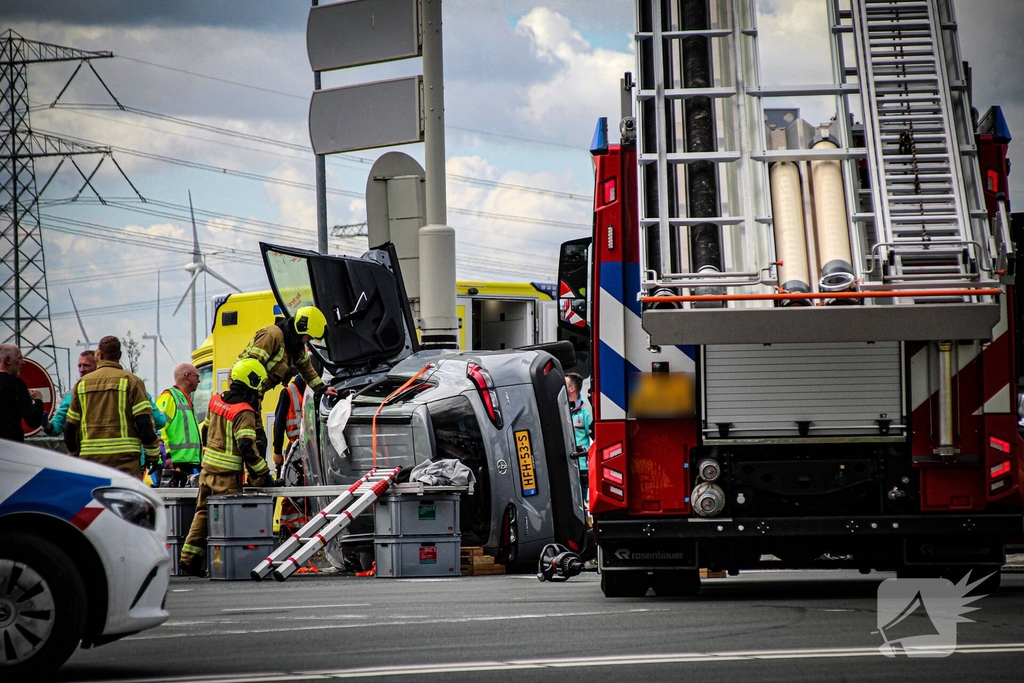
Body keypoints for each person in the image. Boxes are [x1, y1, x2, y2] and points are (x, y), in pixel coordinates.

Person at [179, 358, 275, 577]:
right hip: (227, 477)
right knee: (228, 523)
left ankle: (188, 560)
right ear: (251, 383)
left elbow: (206, 433)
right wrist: (263, 474)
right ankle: (231, 564)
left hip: (207, 471)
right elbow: (247, 448)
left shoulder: (215, 401)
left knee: (202, 513)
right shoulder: (244, 411)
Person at [237, 305, 338, 456]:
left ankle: (257, 478)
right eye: (308, 336)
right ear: (300, 327)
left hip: (254, 394)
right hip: (243, 392)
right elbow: (251, 366)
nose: (308, 340)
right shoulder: (272, 335)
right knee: (253, 440)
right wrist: (255, 395)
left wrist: (322, 389)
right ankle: (255, 478)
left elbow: (306, 369)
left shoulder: (296, 347)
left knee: (259, 442)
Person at [65, 335, 160, 478]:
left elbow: (70, 427)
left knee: (94, 499)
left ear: (100, 354)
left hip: (91, 461)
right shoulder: (132, 382)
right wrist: (152, 455)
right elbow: (144, 423)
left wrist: (74, 454)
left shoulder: (82, 384)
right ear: (120, 355)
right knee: (126, 499)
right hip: (125, 462)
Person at [157, 363, 203, 475]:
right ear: (187, 376)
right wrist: (166, 455)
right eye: (197, 376)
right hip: (174, 464)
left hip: (188, 464)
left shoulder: (185, 399)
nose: (199, 381)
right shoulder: (169, 397)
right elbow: (159, 428)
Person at [44, 350, 97, 439]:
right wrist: (47, 425)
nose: (82, 370)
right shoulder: (72, 395)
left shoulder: (107, 391)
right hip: (82, 449)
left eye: (86, 365)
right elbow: (60, 421)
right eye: (79, 366)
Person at [0, 343, 45, 441]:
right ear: (7, 360)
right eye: (19, 358)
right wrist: (38, 400)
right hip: (10, 446)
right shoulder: (16, 384)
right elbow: (33, 421)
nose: (23, 362)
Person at [565, 372, 593, 501]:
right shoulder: (561, 410)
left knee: (581, 503)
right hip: (564, 465)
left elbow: (594, 438)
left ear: (572, 388)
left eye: (563, 384)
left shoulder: (585, 412)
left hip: (581, 467)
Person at [272, 373, 306, 475]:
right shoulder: (288, 392)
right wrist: (277, 452)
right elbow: (279, 424)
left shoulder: (316, 390)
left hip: (312, 448)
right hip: (295, 448)